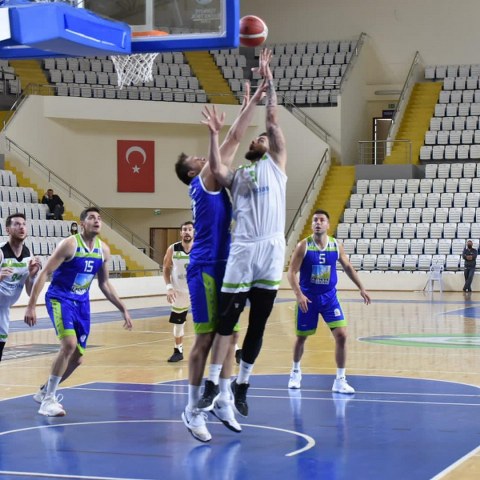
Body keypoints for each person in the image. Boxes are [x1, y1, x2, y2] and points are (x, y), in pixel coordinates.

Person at [197, 48, 287, 419]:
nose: (257, 140)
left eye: (261, 139)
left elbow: (272, 120)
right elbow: (216, 170)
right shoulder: (239, 176)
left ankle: (243, 384)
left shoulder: (277, 163)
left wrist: (268, 82)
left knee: (259, 323)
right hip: (244, 249)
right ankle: (211, 384)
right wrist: (214, 135)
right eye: (255, 140)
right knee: (227, 322)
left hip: (271, 250)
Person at [174, 79, 265, 442]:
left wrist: (249, 103)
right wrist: (248, 107)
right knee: (206, 338)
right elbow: (234, 138)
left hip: (226, 265)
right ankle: (192, 409)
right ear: (193, 172)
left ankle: (224, 397)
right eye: (197, 159)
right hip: (206, 267)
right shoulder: (204, 181)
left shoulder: (213, 180)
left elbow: (235, 138)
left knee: (230, 334)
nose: (204, 158)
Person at [24, 207, 133, 417]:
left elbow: (104, 283)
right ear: (82, 223)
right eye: (92, 218)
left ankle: (45, 391)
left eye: (99, 218)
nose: (97, 221)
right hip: (60, 298)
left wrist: (123, 308)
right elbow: (45, 272)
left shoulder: (103, 250)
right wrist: (31, 305)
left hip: (82, 304)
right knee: (69, 344)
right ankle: (48, 400)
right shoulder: (70, 244)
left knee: (77, 358)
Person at [286, 209, 371, 393]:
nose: (318, 222)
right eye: (315, 220)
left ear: (327, 225)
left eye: (321, 220)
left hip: (329, 298)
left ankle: (340, 380)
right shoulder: (303, 246)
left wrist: (361, 287)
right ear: (312, 225)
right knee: (301, 338)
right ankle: (295, 372)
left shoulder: (335, 245)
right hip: (308, 298)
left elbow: (348, 267)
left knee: (342, 335)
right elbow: (291, 272)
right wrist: (299, 294)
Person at [0, 213, 41, 362]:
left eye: (23, 224)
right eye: (16, 224)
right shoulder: (1, 252)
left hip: (3, 309)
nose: (21, 227)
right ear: (7, 230)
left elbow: (29, 291)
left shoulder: (29, 255)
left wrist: (32, 276)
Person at [163, 221, 194, 362]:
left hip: (197, 291)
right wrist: (169, 287)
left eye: (190, 229)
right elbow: (166, 268)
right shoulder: (173, 248)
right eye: (184, 229)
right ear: (181, 233)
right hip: (179, 292)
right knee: (178, 323)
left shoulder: (200, 248)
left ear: (194, 232)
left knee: (214, 320)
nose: (187, 232)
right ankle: (178, 350)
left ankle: (234, 350)